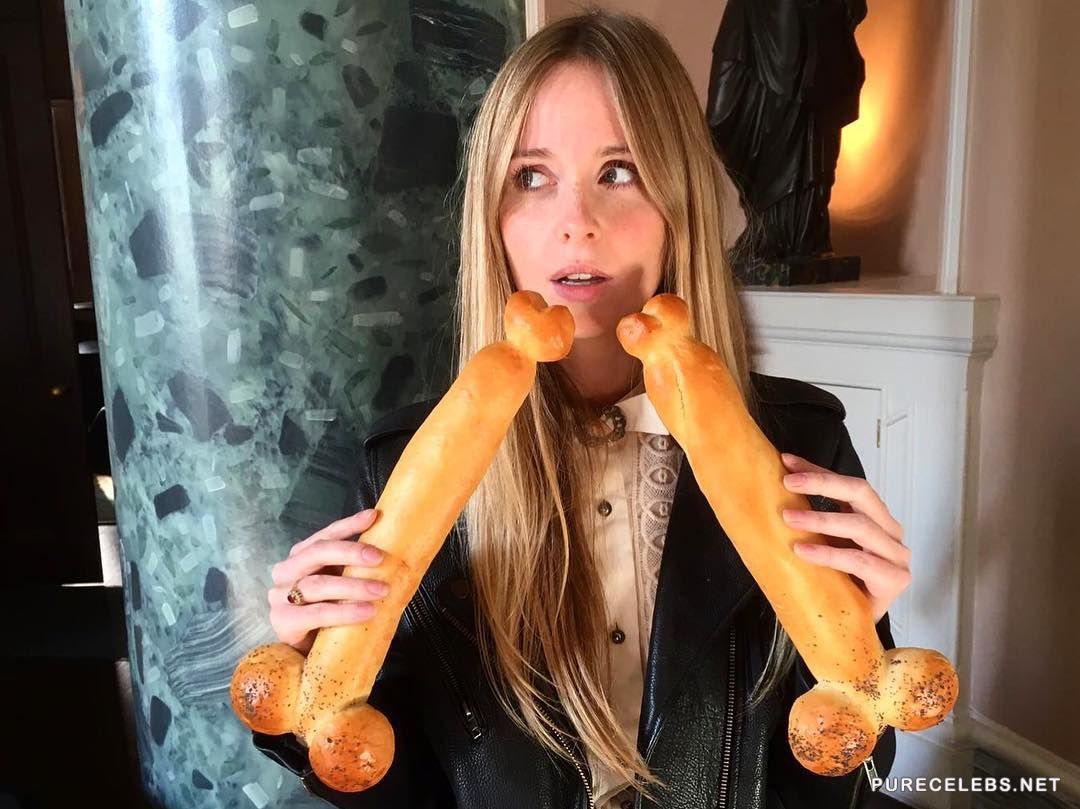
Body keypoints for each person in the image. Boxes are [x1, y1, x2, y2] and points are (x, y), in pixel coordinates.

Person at [252, 10, 910, 808]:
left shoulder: (801, 446)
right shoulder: (398, 470)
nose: (576, 223)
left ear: (680, 203)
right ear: (491, 218)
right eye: (531, 177)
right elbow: (410, 793)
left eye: (620, 170)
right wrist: (314, 697)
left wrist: (859, 650)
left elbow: (857, 782)